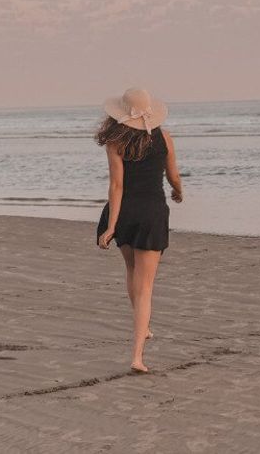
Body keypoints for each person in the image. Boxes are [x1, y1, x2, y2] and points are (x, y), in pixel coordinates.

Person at [94, 87, 183, 373]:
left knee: (132, 272)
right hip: (151, 214)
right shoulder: (164, 138)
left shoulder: (115, 142)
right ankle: (137, 357)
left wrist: (112, 225)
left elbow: (116, 187)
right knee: (145, 288)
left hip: (126, 214)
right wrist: (178, 192)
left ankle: (144, 327)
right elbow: (173, 176)